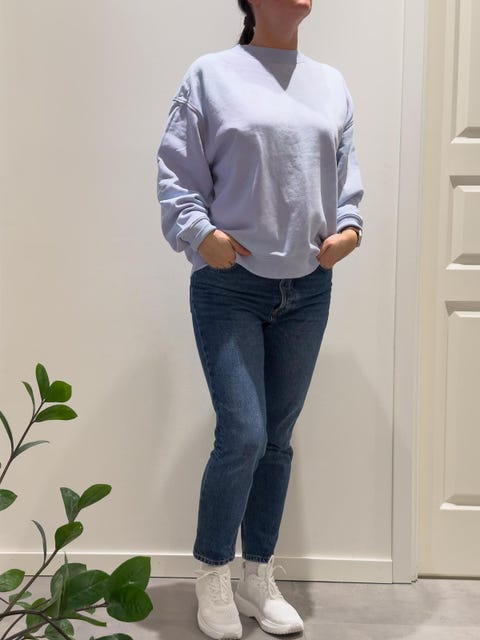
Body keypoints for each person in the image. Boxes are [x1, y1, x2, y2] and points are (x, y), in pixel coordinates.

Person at [156, 1, 364, 637]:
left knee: (276, 438)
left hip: (309, 289)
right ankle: (213, 572)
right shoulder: (211, 75)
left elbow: (345, 174)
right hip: (231, 288)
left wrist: (350, 228)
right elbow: (175, 172)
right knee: (243, 434)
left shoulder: (330, 82)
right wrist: (201, 234)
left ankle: (257, 575)